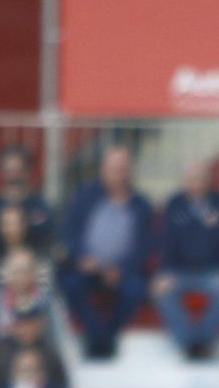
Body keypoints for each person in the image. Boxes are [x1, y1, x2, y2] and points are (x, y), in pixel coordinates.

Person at [61, 146, 155, 360]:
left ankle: (106, 337)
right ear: (103, 170)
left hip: (124, 270)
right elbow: (69, 232)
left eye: (123, 169)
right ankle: (99, 336)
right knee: (71, 285)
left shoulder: (141, 205)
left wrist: (120, 268)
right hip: (88, 266)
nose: (118, 174)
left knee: (136, 290)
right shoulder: (85, 197)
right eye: (114, 169)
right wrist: (82, 258)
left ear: (130, 171)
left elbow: (145, 245)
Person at [154, 161, 219, 358]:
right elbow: (167, 241)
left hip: (213, 270)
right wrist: (164, 272)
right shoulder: (175, 204)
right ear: (185, 181)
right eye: (193, 178)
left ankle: (204, 340)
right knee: (161, 291)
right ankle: (189, 341)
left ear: (208, 179)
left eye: (201, 177)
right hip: (180, 271)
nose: (197, 182)